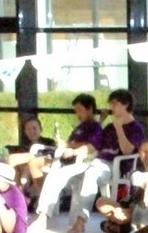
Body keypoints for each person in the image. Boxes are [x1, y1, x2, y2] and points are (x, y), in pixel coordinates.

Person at [70, 89, 146, 233]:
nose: (112, 107)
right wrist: (74, 152)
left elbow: (127, 151)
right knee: (78, 174)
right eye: (111, 104)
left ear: (126, 104)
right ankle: (73, 219)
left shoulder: (136, 128)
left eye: (115, 104)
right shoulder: (109, 127)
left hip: (118, 166)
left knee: (91, 173)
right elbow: (94, 145)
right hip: (98, 163)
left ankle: (80, 221)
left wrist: (119, 128)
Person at [33, 93, 104, 222]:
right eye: (76, 111)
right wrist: (65, 145)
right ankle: (43, 211)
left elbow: (91, 146)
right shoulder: (80, 127)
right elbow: (70, 143)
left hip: (82, 163)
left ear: (90, 109)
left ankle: (44, 215)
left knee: (55, 175)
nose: (77, 114)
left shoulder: (95, 127)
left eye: (80, 110)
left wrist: (69, 146)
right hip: (66, 160)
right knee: (43, 169)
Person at [95, 139, 148, 233]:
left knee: (127, 212)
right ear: (140, 154)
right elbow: (131, 196)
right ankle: (124, 225)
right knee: (101, 203)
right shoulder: (136, 172)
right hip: (132, 208)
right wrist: (126, 210)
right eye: (144, 152)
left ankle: (122, 227)